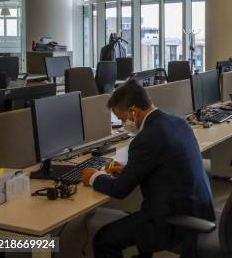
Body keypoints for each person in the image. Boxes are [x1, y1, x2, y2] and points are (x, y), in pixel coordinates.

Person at [82, 80, 215, 258]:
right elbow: (163, 164)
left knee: (104, 239)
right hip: (201, 208)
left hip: (173, 221)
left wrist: (93, 176)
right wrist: (129, 170)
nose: (123, 125)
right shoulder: (178, 121)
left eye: (122, 119)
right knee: (138, 217)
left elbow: (120, 190)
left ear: (134, 112)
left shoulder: (145, 139)